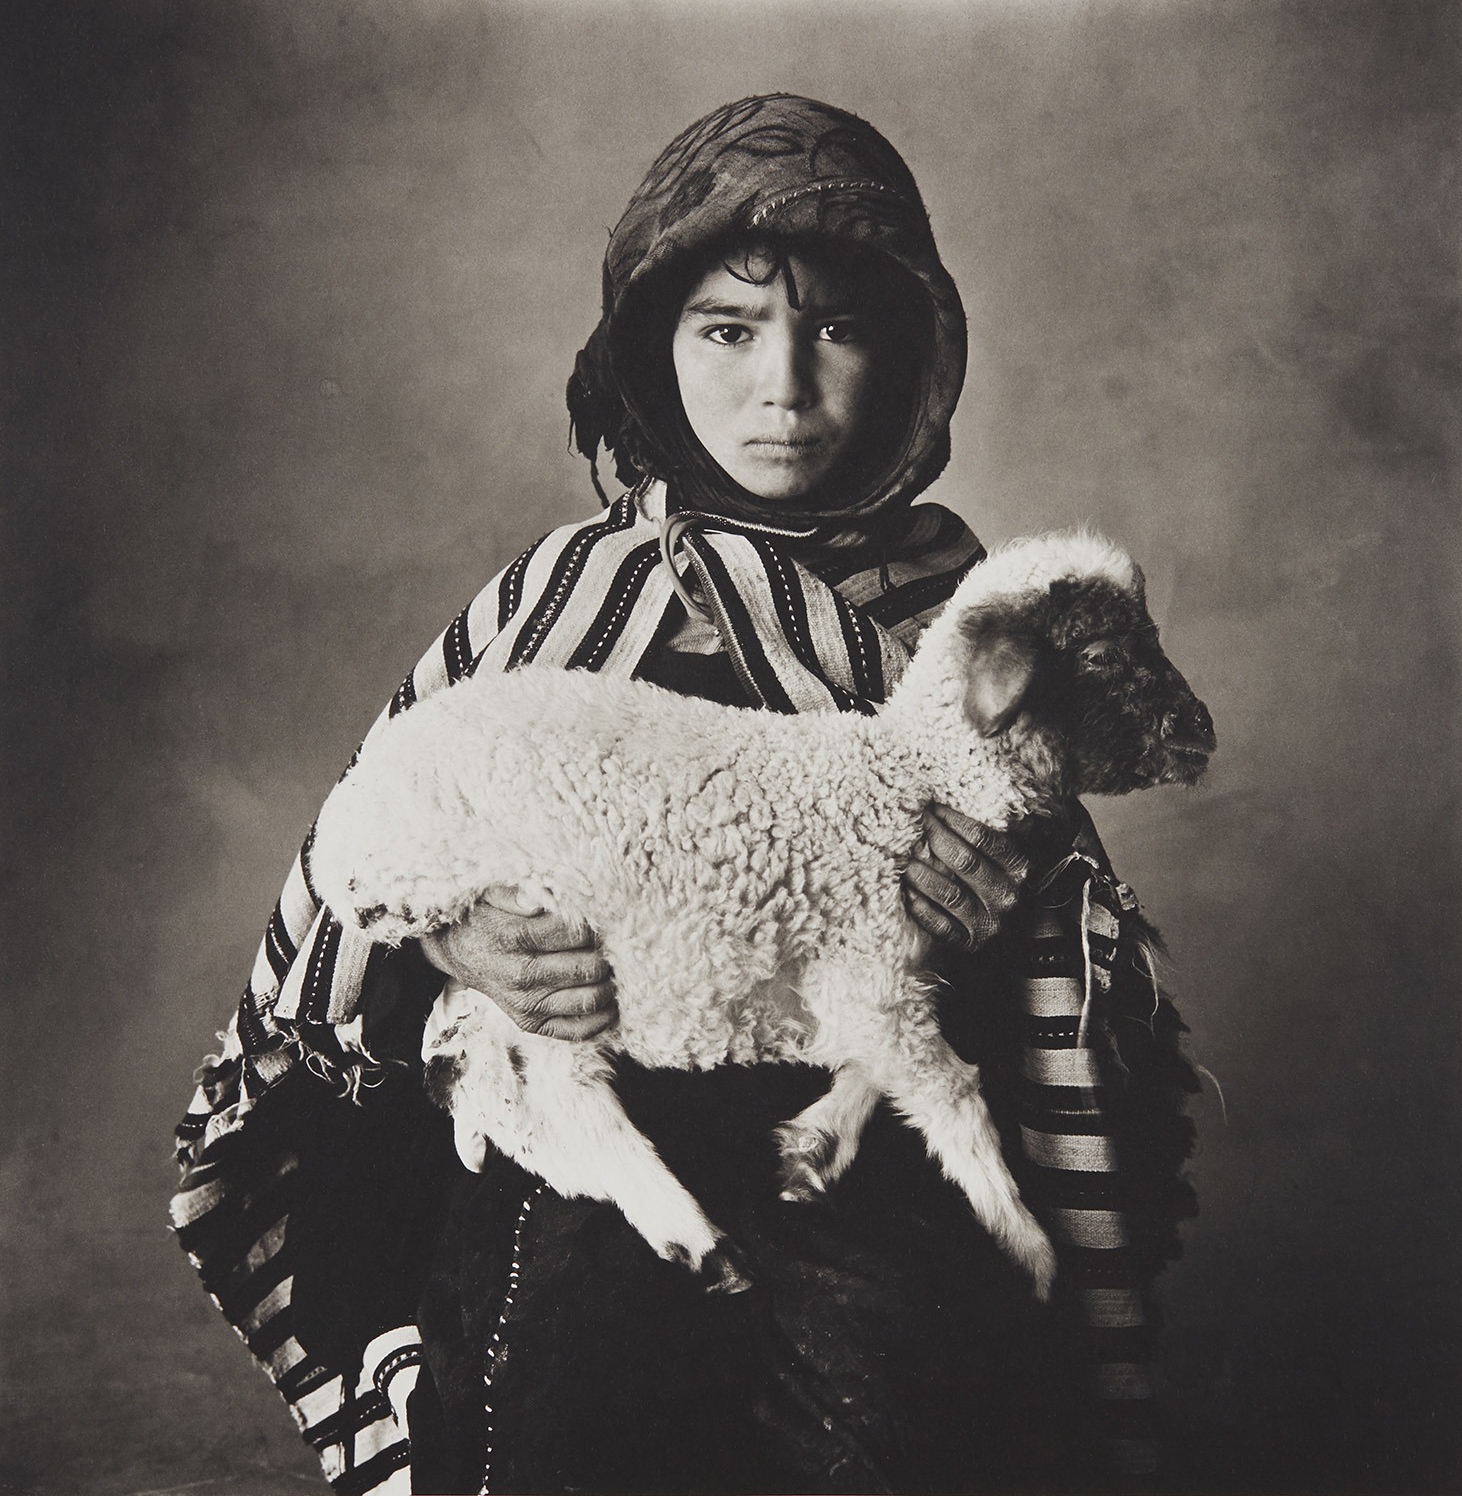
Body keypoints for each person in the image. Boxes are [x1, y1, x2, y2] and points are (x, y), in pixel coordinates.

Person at [172, 95, 1196, 1495]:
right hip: (584, 1118)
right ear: (652, 348)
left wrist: (987, 916)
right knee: (572, 1397)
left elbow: (1058, 944)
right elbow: (363, 875)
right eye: (727, 330)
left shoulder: (967, 617)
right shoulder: (557, 601)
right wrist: (454, 941)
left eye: (836, 329)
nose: (783, 384)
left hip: (855, 1131)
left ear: (910, 353)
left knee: (903, 1402)